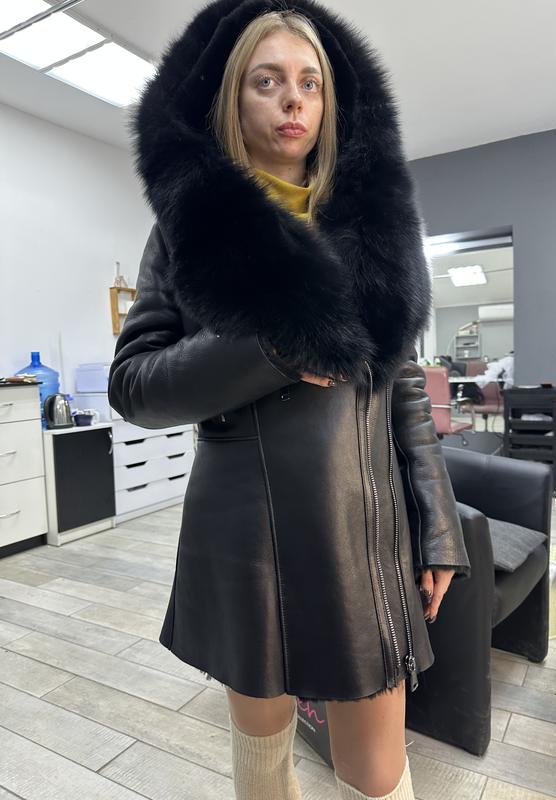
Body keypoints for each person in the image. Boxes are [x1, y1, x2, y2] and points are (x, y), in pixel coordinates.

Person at [108, 1, 471, 798]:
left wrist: (438, 525)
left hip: (362, 533)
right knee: (263, 760)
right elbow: (133, 385)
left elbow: (403, 385)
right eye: (266, 81)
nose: (292, 100)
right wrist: (268, 347)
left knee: (377, 775)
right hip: (245, 538)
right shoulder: (189, 228)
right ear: (234, 99)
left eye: (310, 82)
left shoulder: (377, 228)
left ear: (331, 101)